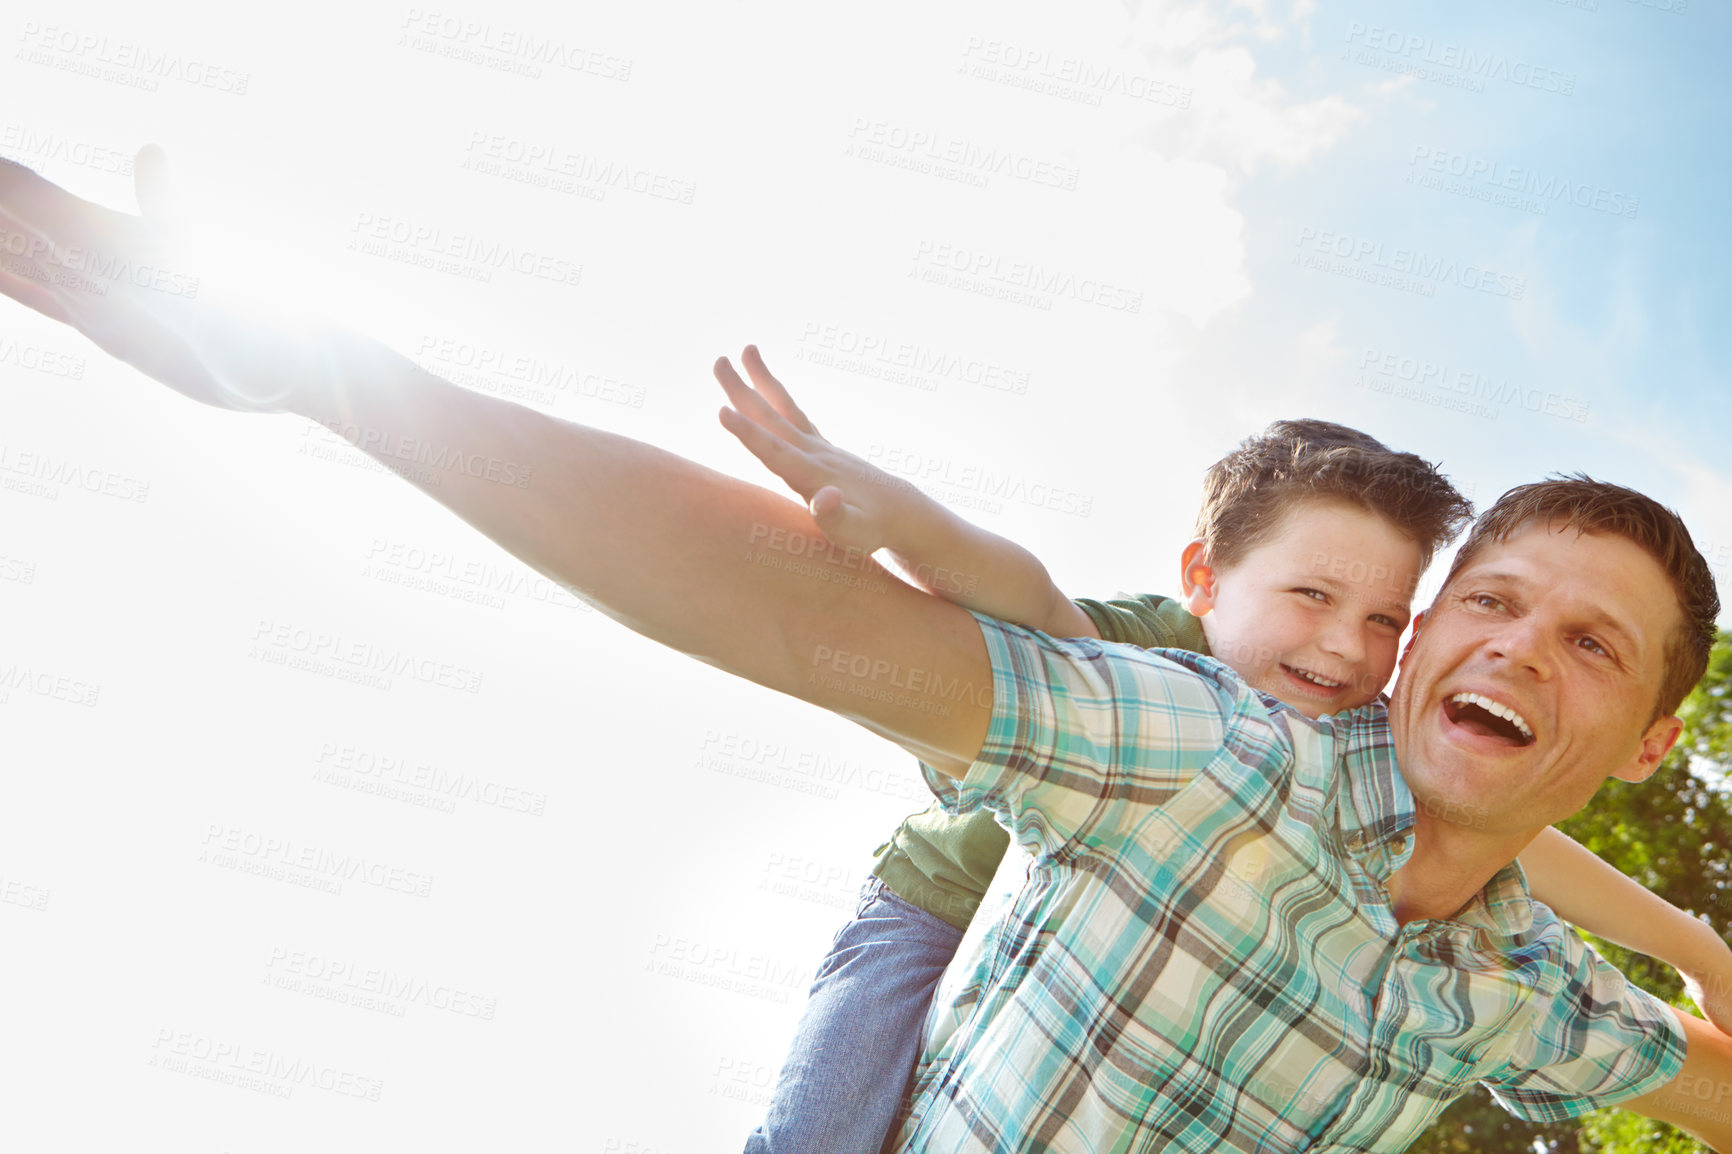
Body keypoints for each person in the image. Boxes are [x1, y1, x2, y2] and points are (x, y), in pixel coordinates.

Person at [2, 152, 1730, 1151]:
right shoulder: (1198, 731)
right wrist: (328, 373)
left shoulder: (1535, 994)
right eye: (1484, 602)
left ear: (1651, 735)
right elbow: (820, 616)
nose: (1491, 646)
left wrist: (1683, 939)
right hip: (923, 898)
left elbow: (1537, 880)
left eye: (1589, 643)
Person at [712, 375, 1732, 1153]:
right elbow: (1024, 603)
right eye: (1311, 596)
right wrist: (905, 524)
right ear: (1203, 574)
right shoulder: (1158, 657)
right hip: (929, 902)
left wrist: (1696, 950)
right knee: (824, 1127)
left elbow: (1515, 845)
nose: (1342, 646)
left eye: (1382, 619)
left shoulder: (1350, 739)